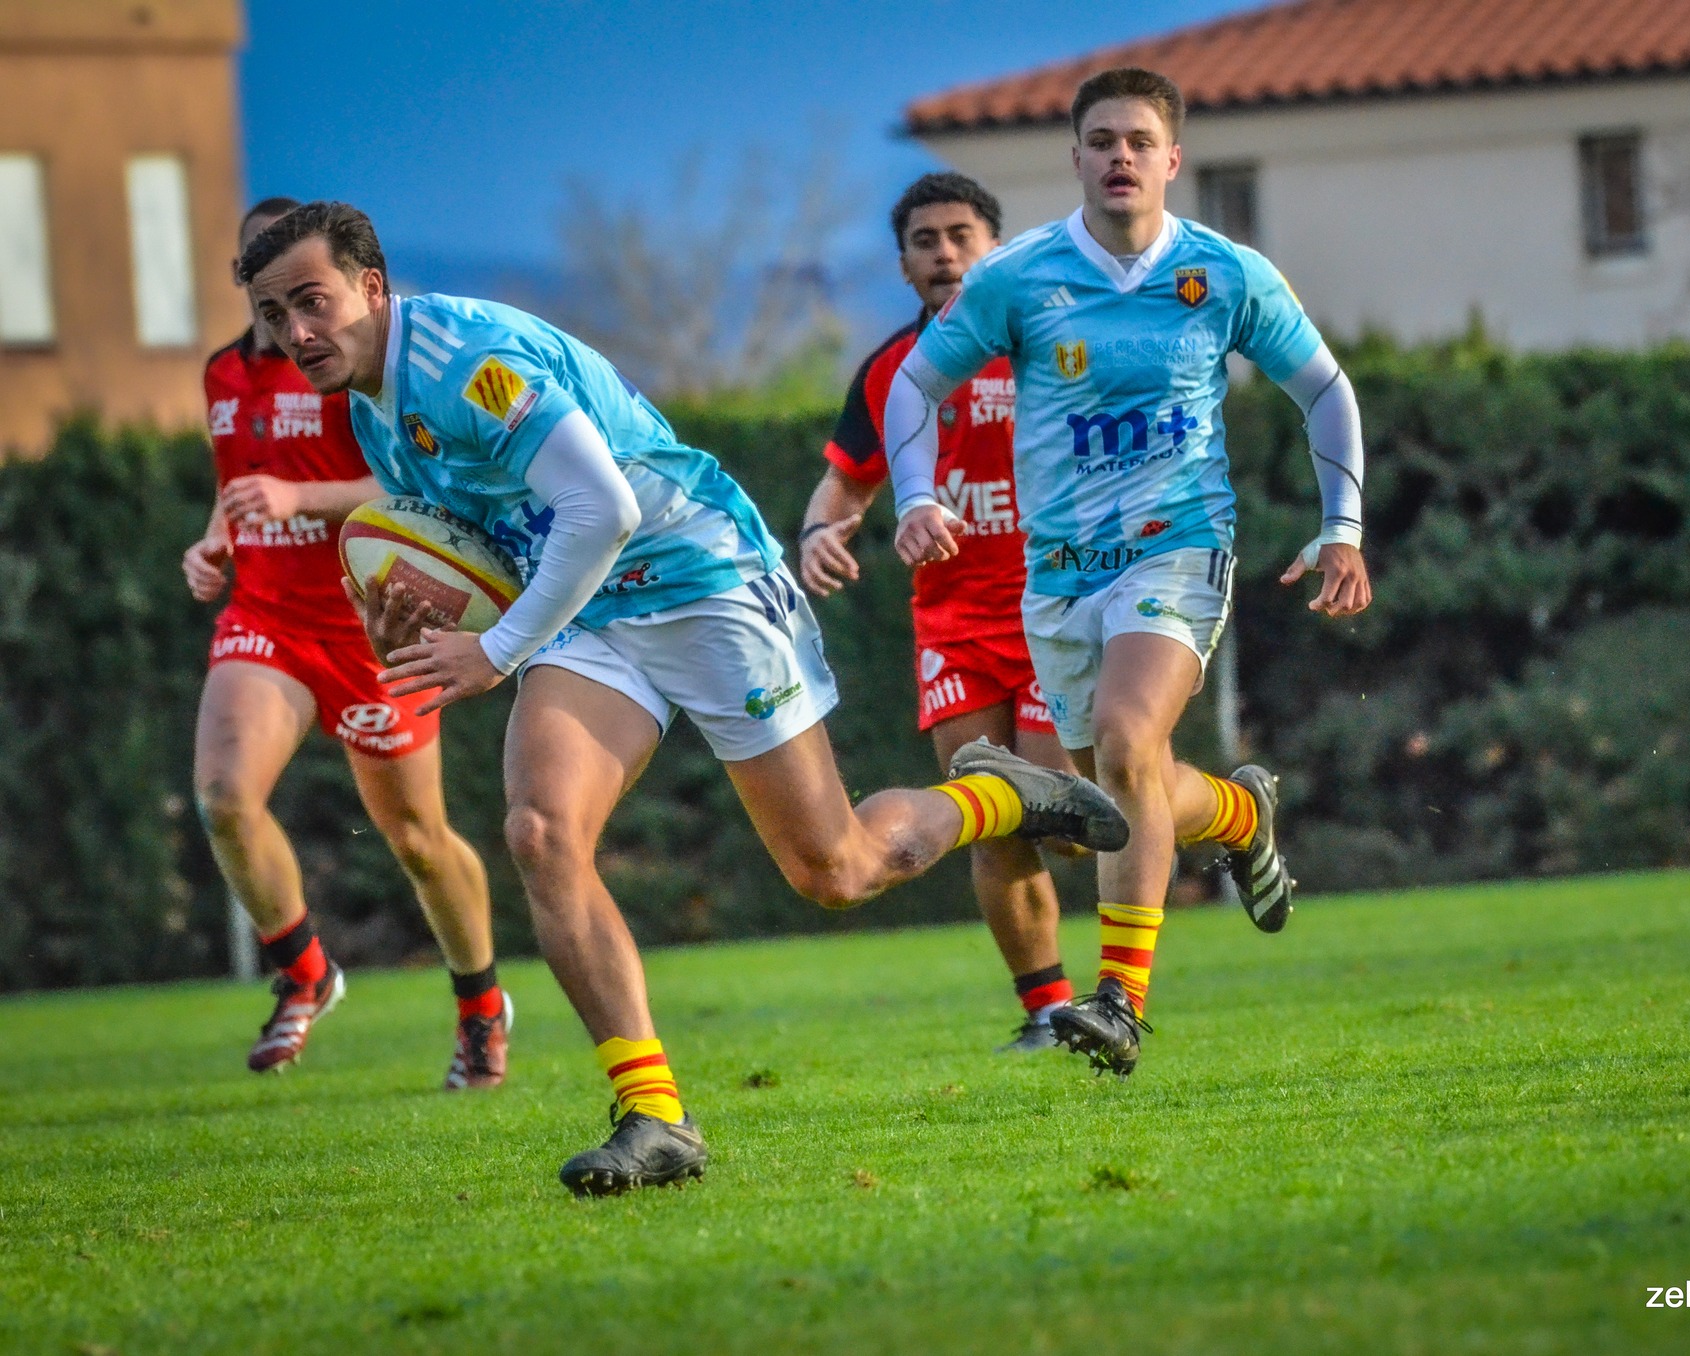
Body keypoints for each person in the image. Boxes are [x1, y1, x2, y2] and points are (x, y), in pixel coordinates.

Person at [237, 201, 1130, 1194]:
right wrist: (401, 610)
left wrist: (493, 646)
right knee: (540, 834)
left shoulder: (464, 360)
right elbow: (478, 539)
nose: (296, 334)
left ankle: (999, 795)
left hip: (699, 575)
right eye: (274, 314)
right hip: (591, 610)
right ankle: (653, 1114)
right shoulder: (373, 403)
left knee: (833, 870)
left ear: (371, 284)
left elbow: (602, 507)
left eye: (312, 303)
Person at [883, 68, 1371, 1076]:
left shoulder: (1222, 274)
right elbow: (912, 387)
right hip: (1057, 573)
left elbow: (1323, 387)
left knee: (1123, 735)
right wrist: (917, 498)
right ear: (1074, 159)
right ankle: (1237, 814)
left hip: (1178, 545)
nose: (1119, 157)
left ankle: (1118, 1002)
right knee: (1098, 803)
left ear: (1171, 160)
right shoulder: (1018, 279)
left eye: (1139, 141)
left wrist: (1343, 525)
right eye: (1100, 140)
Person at [184, 197, 505, 1088]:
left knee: (415, 837)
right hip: (267, 616)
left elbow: (404, 480)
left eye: (297, 284)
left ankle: (481, 1006)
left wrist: (301, 501)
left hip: (370, 623)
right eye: (260, 278)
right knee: (222, 796)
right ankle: (303, 972)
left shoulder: (349, 362)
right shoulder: (223, 373)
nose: (279, 303)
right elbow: (239, 484)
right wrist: (216, 539)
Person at [799, 173, 1076, 1054]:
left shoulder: (1048, 342)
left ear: (997, 248)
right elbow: (845, 482)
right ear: (905, 262)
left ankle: (1225, 812)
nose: (946, 252)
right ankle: (1047, 1013)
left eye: (962, 234)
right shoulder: (889, 370)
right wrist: (817, 534)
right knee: (991, 812)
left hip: (1057, 611)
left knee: (1065, 818)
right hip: (954, 626)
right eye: (926, 240)